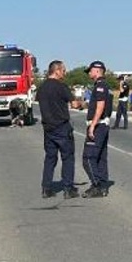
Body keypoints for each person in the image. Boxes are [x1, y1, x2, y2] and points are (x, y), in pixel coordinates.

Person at [36, 60, 81, 199]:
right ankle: (68, 188)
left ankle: (46, 187)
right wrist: (81, 103)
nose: (65, 73)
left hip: (48, 127)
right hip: (62, 126)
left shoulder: (42, 88)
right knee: (67, 157)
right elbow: (74, 104)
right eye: (63, 70)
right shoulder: (61, 87)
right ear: (56, 71)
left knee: (50, 158)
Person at [81, 60, 113, 198]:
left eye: (90, 70)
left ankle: (97, 185)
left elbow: (100, 106)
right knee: (100, 157)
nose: (89, 72)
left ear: (97, 70)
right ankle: (103, 185)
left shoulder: (100, 86)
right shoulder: (105, 86)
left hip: (98, 125)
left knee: (88, 157)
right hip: (102, 124)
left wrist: (92, 126)